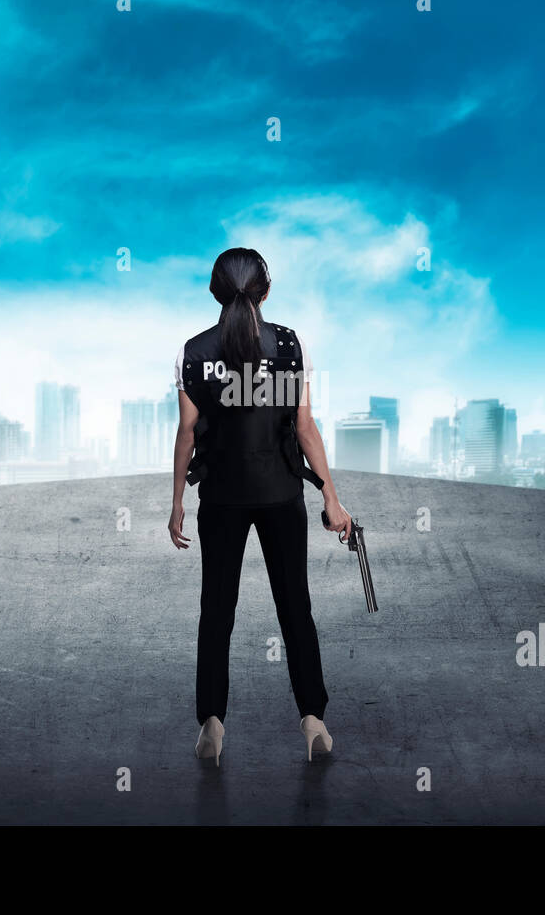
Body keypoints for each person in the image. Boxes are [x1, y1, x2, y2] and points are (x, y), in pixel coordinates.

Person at [168, 247, 350, 765]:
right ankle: (313, 720)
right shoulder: (290, 346)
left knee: (216, 611)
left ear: (215, 291)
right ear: (265, 291)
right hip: (281, 495)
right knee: (295, 608)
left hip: (221, 497)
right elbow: (304, 427)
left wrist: (178, 501)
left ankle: (211, 725)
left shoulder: (193, 351)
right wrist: (331, 499)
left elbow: (186, 434)